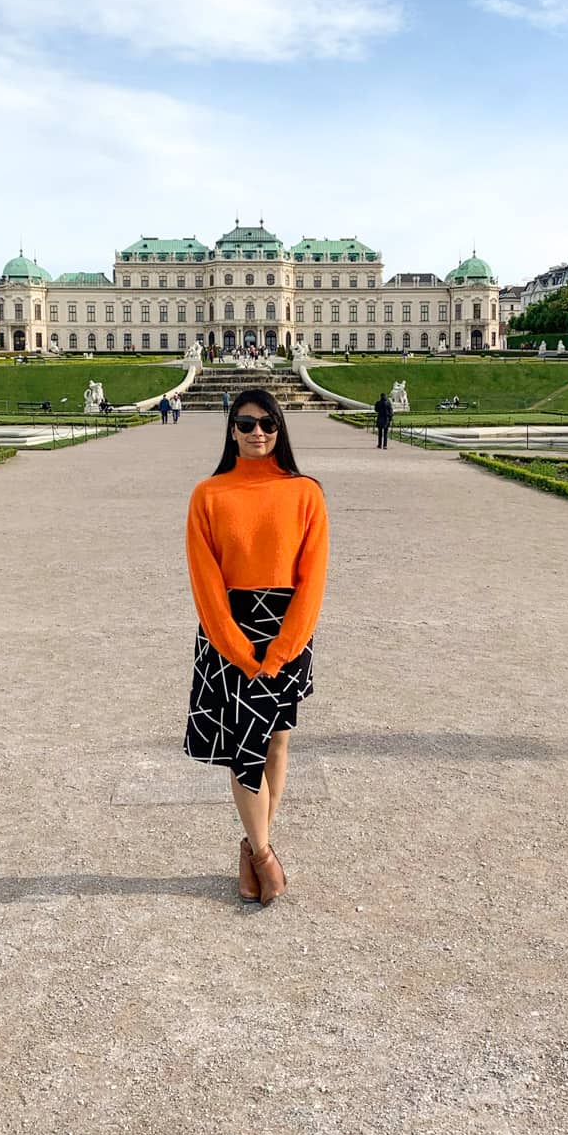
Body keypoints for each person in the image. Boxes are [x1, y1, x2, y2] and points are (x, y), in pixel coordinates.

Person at [184, 387, 329, 907]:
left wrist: (285, 646)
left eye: (267, 423)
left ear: (279, 428)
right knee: (243, 751)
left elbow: (313, 579)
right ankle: (265, 856)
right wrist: (240, 650)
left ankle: (252, 845)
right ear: (231, 430)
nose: (257, 433)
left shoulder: (305, 492)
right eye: (246, 424)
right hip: (231, 631)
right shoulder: (209, 494)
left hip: (287, 630)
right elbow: (205, 583)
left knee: (277, 741)